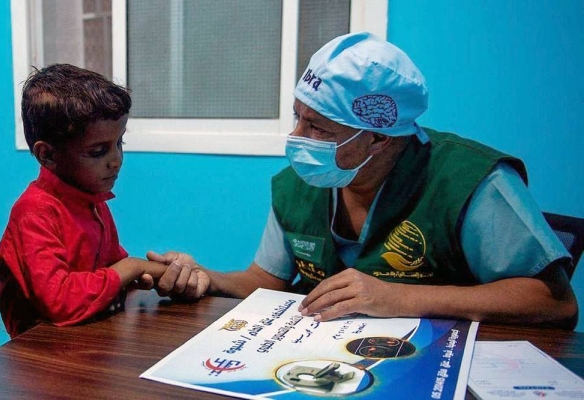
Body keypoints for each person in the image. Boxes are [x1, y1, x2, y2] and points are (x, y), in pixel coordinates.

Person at [150, 32, 578, 329]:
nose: (297, 138)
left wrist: (401, 299)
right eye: (297, 116)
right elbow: (267, 281)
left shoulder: (470, 180)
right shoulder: (301, 181)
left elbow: (554, 301)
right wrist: (206, 277)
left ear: (376, 137)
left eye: (318, 128)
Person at [0, 64, 167, 337]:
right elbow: (59, 301)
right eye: (98, 151)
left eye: (119, 143)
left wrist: (146, 277)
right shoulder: (34, 213)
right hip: (43, 355)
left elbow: (112, 267)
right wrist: (131, 267)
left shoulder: (94, 202)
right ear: (47, 155)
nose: (116, 160)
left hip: (91, 338)